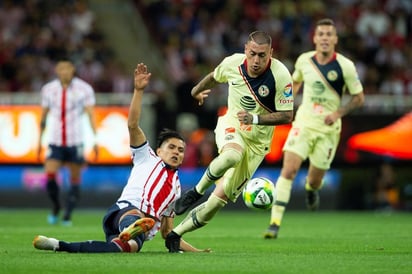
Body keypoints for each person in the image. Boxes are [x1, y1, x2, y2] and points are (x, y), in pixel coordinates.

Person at [33, 63, 211, 253]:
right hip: (124, 211)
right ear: (159, 150)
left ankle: (58, 245)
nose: (176, 152)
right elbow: (133, 125)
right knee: (137, 219)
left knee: (122, 249)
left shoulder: (175, 190)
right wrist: (138, 91)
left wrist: (198, 252)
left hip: (133, 228)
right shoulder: (147, 157)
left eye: (181, 150)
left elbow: (168, 234)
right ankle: (132, 226)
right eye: (172, 147)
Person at [166, 31, 294, 252]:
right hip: (232, 125)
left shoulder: (281, 75)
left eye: (262, 56)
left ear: (270, 53)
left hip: (258, 144)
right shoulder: (233, 63)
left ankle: (175, 235)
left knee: (217, 202)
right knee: (232, 154)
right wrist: (196, 91)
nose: (256, 60)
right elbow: (214, 76)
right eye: (252, 54)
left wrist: (255, 118)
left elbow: (287, 115)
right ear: (246, 49)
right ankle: (195, 192)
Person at [264, 18, 365, 239]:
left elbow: (359, 98)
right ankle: (274, 223)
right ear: (315, 38)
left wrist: (338, 113)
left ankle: (312, 190)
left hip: (328, 129)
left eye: (329, 34)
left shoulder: (345, 66)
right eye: (321, 34)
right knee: (288, 170)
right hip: (304, 122)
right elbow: (295, 82)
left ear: (335, 39)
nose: (325, 38)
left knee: (314, 179)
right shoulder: (304, 60)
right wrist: (286, 102)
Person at [37, 60, 98, 226]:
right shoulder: (48, 90)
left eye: (67, 68)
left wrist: (95, 141)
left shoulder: (84, 89)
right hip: (55, 141)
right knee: (50, 176)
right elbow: (43, 117)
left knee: (74, 179)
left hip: (75, 141)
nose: (64, 72)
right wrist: (38, 142)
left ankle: (67, 214)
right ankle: (56, 206)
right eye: (61, 68)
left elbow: (91, 115)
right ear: (56, 70)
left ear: (73, 70)